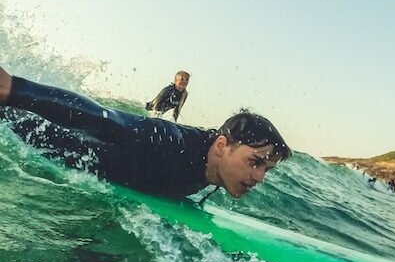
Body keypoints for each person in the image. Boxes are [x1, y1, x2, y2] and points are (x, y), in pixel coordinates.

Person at [0, 66, 291, 199]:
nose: (259, 178)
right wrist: (15, 89)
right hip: (39, 139)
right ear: (222, 145)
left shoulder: (216, 172)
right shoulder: (172, 143)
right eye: (255, 162)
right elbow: (105, 119)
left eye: (266, 169)